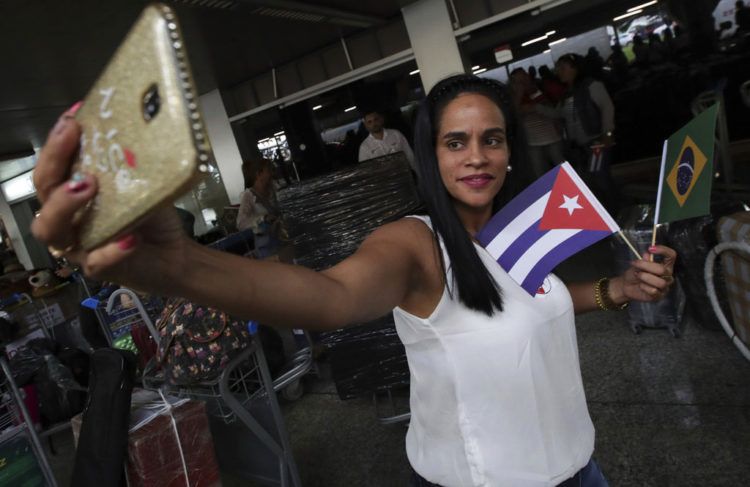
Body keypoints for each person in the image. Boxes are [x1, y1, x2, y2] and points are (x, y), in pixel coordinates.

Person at [32, 75, 676, 486]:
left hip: (581, 469)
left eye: (492, 139)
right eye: (456, 142)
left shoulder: (517, 230)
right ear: (429, 152)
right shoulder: (413, 244)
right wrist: (176, 265)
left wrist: (619, 291)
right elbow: (332, 298)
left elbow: (539, 306)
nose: (477, 156)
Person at [547, 53, 619, 212]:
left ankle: (615, 212)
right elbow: (558, 114)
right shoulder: (567, 93)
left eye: (563, 68)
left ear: (575, 69)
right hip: (580, 146)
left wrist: (607, 134)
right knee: (592, 181)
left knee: (600, 180)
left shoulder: (591, 85)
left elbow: (607, 107)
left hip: (596, 142)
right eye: (558, 68)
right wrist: (536, 108)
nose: (559, 71)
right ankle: (608, 213)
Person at [509, 68, 565, 179]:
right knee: (541, 176)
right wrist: (519, 96)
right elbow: (513, 117)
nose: (522, 83)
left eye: (523, 78)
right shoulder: (513, 98)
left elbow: (558, 112)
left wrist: (536, 108)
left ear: (528, 77)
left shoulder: (541, 88)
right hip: (533, 143)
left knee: (563, 170)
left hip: (553, 138)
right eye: (518, 81)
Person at [236, 158, 289, 260]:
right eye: (268, 170)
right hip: (267, 248)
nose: (271, 173)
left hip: (283, 241)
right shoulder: (248, 196)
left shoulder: (274, 188)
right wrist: (262, 218)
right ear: (258, 174)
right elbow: (240, 223)